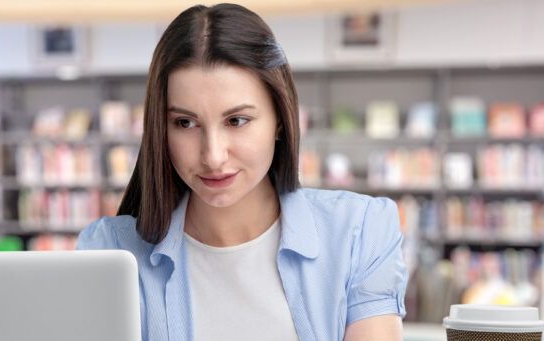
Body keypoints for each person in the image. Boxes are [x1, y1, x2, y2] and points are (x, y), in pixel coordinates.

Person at [77, 4, 407, 340]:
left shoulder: (358, 232)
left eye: (237, 121)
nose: (213, 156)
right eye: (185, 123)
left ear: (280, 118)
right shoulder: (110, 250)